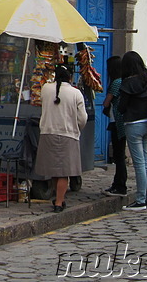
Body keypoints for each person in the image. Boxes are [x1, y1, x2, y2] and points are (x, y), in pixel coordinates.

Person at [34, 64, 88, 213]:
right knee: (64, 171)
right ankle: (59, 201)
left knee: (54, 169)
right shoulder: (76, 94)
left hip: (48, 132)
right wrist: (76, 128)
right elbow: (82, 118)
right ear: (70, 77)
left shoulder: (46, 88)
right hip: (68, 135)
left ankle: (59, 198)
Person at [118, 51, 147, 210]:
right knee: (145, 161)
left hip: (134, 123)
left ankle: (141, 199)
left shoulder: (128, 83)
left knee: (139, 162)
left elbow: (122, 107)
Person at [102, 56, 127, 197]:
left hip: (117, 122)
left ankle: (120, 184)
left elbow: (106, 102)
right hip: (119, 122)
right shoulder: (122, 81)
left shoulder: (117, 82)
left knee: (119, 155)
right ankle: (117, 183)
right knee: (119, 155)